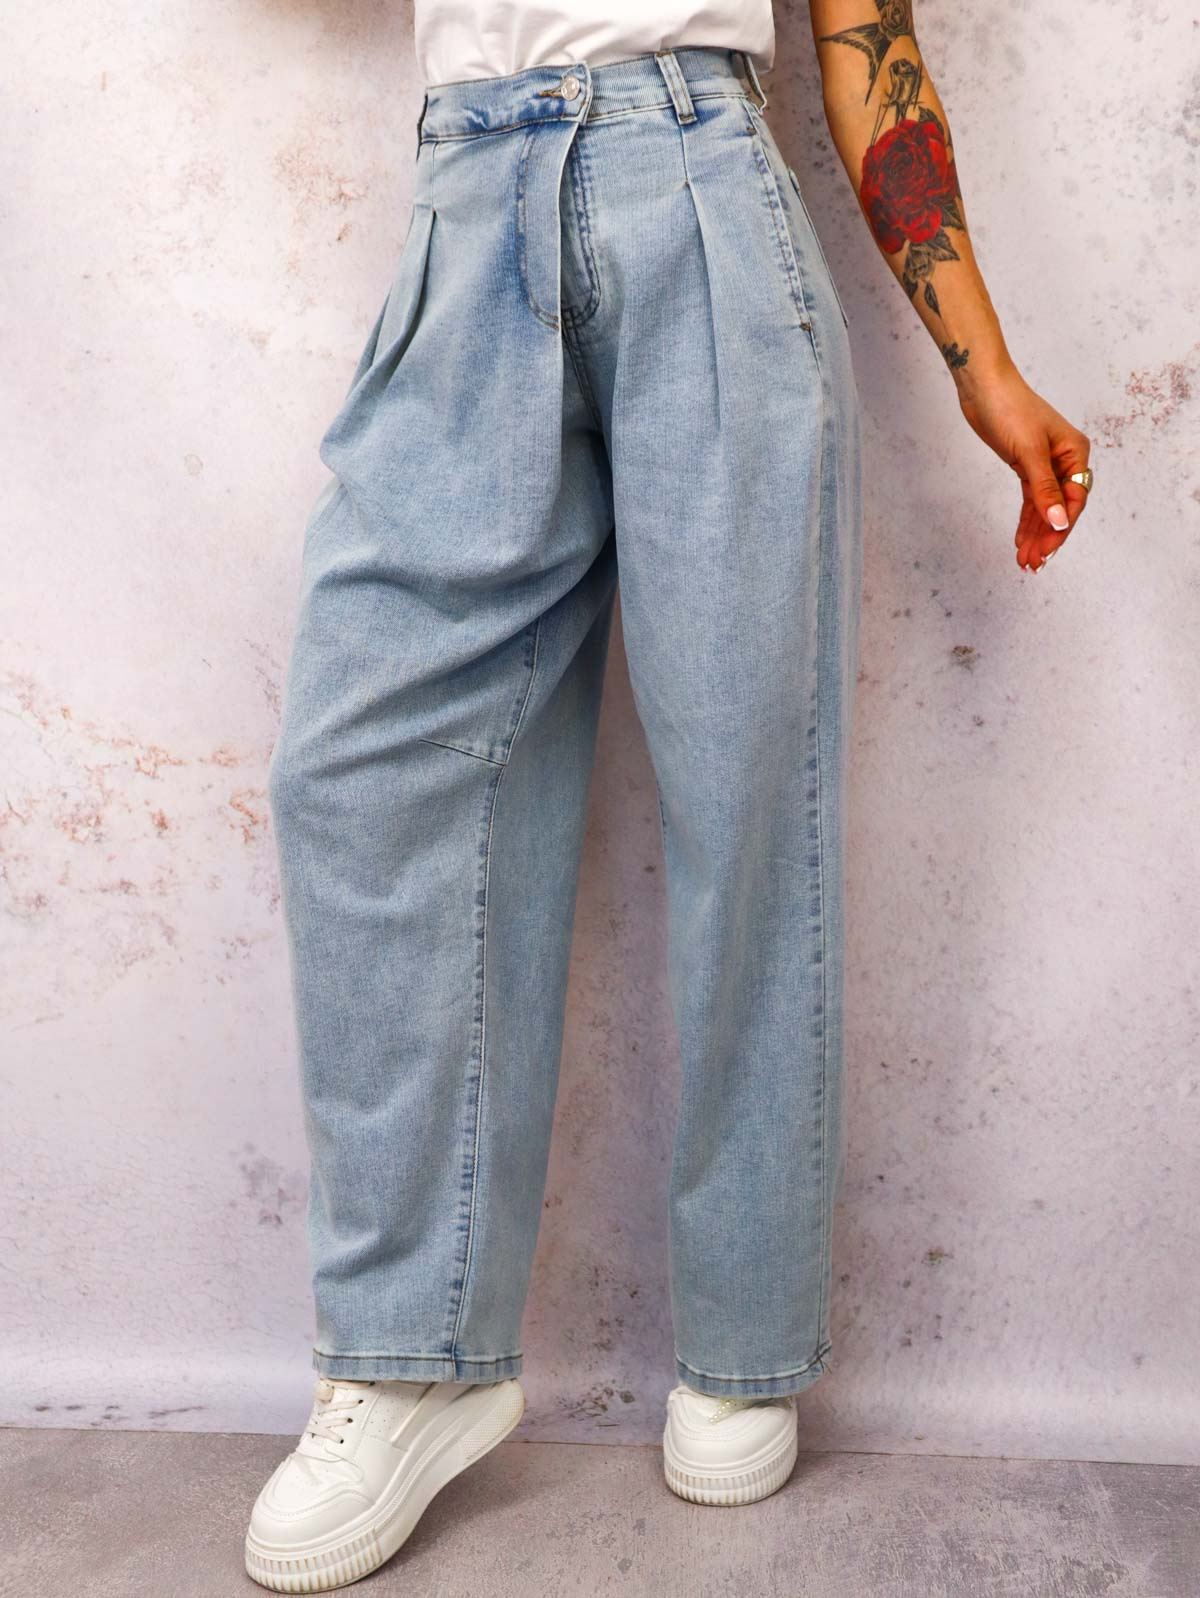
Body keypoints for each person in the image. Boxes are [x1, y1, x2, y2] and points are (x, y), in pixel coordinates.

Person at [245, 0, 1092, 1588]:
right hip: (466, 207)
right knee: (356, 769)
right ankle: (414, 1355)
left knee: (750, 792)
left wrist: (982, 363)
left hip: (703, 189)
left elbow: (868, 35)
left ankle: (746, 1340)